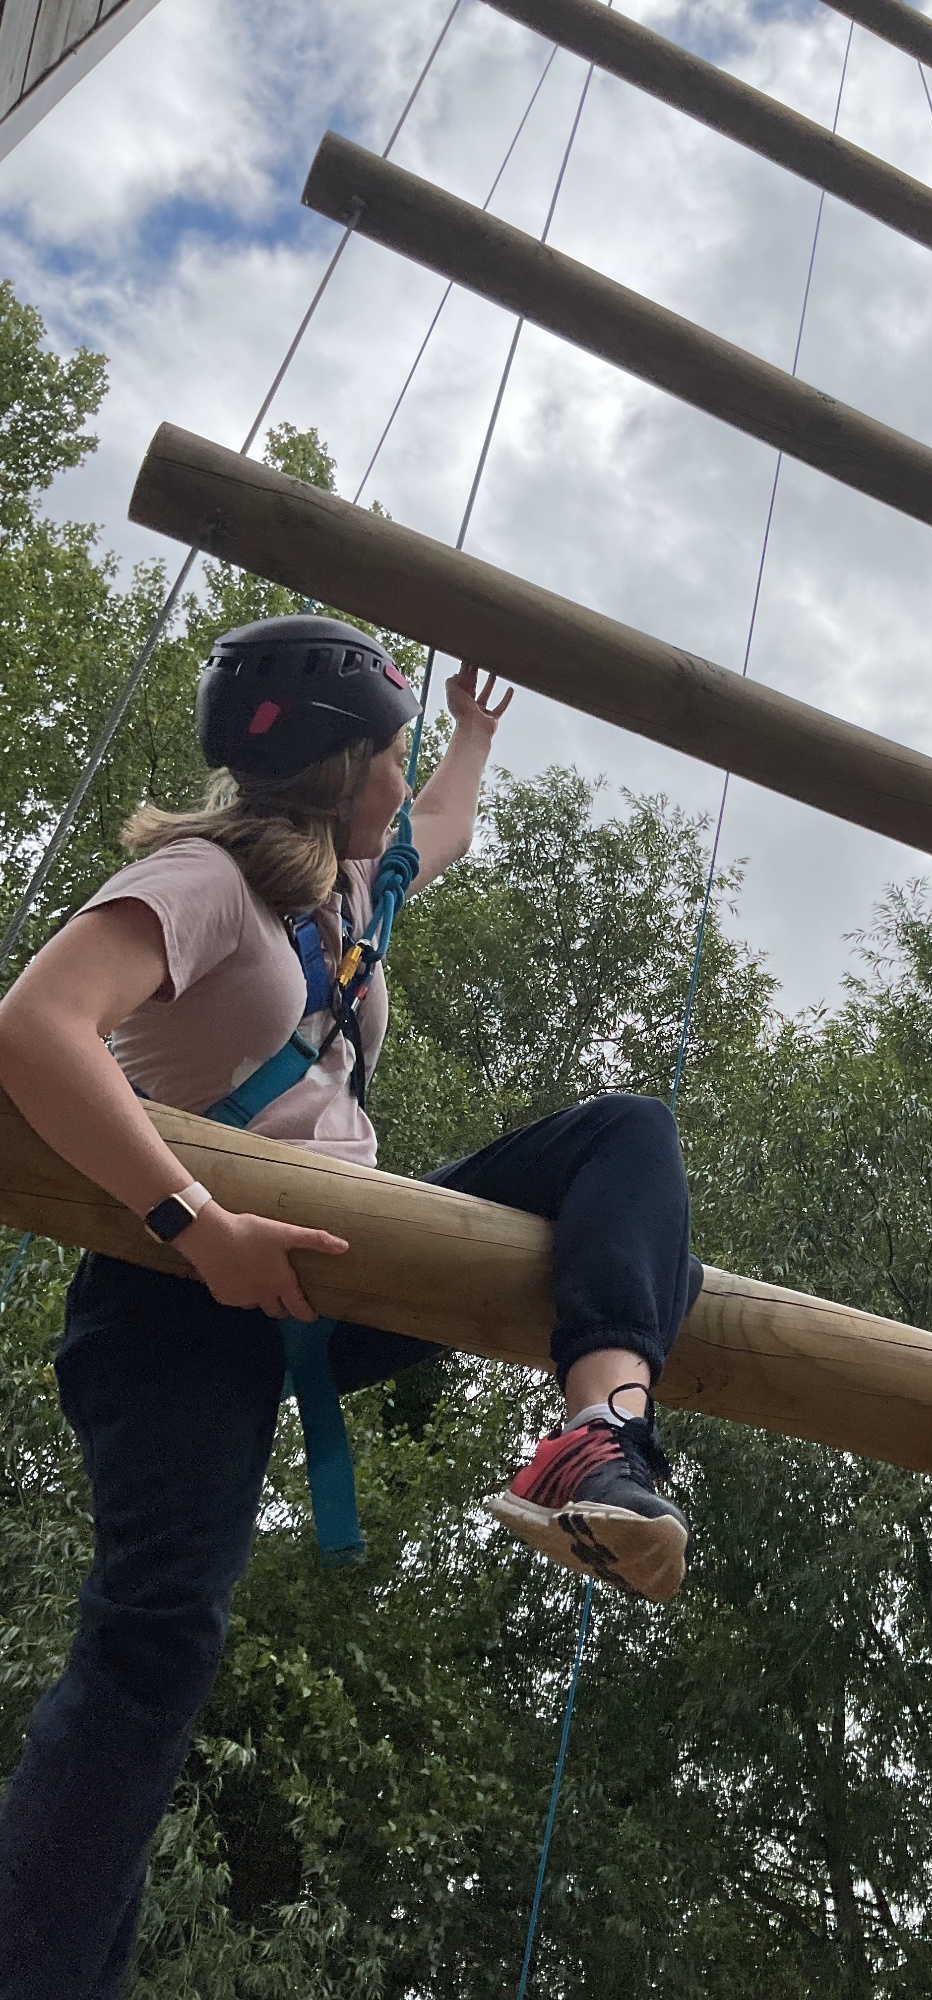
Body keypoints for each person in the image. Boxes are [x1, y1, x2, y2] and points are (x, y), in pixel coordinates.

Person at [0, 614, 700, 2000]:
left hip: (331, 1267)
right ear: (346, 765)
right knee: (159, 1637)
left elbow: (448, 827)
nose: (409, 772)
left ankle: (597, 1438)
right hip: (177, 1293)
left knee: (628, 1140)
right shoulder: (202, 882)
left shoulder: (355, 892)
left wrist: (477, 737)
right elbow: (34, 1026)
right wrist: (192, 1222)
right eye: (398, 750)